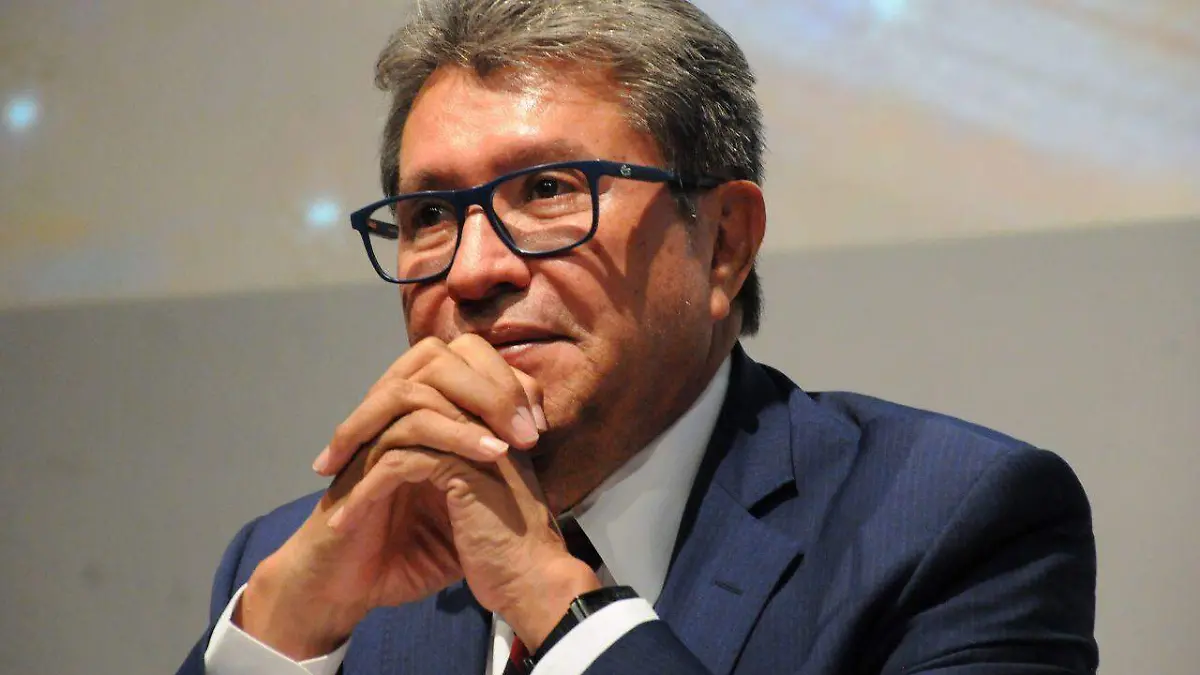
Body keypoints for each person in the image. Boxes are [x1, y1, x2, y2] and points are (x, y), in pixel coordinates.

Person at [176, 1, 1099, 673]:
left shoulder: (948, 527)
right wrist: (281, 635)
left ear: (723, 242)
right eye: (429, 214)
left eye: (547, 190)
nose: (472, 270)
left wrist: (555, 599)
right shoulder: (296, 569)